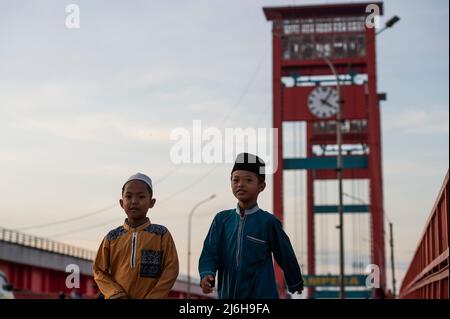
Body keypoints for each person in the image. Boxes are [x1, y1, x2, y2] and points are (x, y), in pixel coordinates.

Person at [198, 153, 304, 298]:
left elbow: (285, 254)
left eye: (248, 180)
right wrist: (206, 274)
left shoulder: (268, 222)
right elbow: (210, 253)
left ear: (261, 186)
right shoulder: (221, 220)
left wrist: (295, 281)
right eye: (236, 180)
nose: (240, 184)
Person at [93, 173, 179, 299]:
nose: (134, 201)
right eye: (128, 196)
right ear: (122, 203)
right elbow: (98, 270)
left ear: (152, 202)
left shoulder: (161, 235)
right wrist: (115, 293)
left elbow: (171, 270)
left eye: (141, 196)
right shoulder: (112, 237)